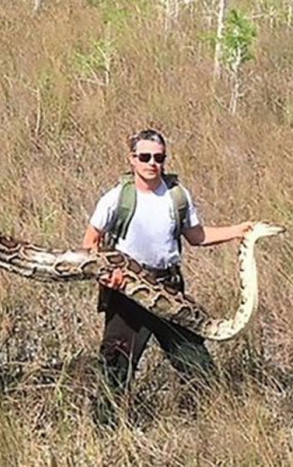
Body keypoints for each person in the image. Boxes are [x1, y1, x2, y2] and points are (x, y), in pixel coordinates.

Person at [82, 128, 252, 425]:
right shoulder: (116, 198)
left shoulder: (177, 195)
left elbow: (196, 236)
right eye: (145, 157)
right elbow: (90, 242)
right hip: (127, 294)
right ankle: (105, 433)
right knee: (116, 368)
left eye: (158, 158)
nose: (152, 163)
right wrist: (108, 276)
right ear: (131, 159)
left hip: (169, 290)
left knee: (197, 363)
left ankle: (216, 423)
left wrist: (238, 231)